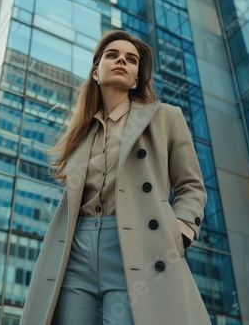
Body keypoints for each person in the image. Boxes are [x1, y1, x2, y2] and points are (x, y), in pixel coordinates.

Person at [19, 30, 210, 325]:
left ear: (136, 79)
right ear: (96, 72)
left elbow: (191, 185)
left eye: (131, 59)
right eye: (113, 55)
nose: (122, 60)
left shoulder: (166, 117)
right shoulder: (81, 136)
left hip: (136, 247)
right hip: (78, 251)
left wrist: (179, 232)